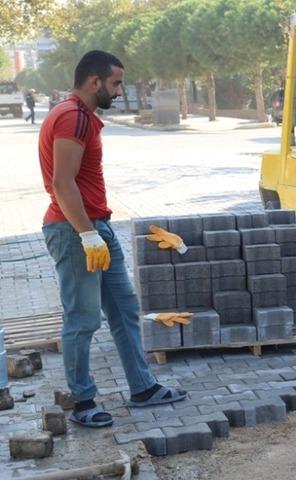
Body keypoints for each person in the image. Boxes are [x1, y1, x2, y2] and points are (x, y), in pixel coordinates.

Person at [39, 50, 187, 428]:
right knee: (83, 318)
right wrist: (87, 235)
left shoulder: (82, 116)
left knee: (123, 309)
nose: (119, 91)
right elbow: (62, 183)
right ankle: (83, 401)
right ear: (94, 81)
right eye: (116, 83)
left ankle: (142, 387)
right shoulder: (71, 116)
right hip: (76, 231)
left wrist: (96, 231)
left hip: (96, 227)